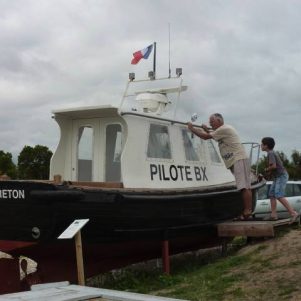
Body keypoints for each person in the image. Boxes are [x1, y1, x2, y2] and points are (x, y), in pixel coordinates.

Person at [187, 113, 253, 221]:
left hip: (238, 159)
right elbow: (215, 137)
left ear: (219, 121)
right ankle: (247, 210)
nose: (210, 124)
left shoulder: (224, 128)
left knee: (244, 186)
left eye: (212, 122)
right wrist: (206, 130)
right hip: (236, 159)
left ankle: (247, 211)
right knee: (244, 186)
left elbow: (206, 137)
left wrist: (191, 128)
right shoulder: (222, 130)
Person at [261, 137, 299, 222]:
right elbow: (275, 167)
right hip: (278, 176)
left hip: (281, 176)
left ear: (266, 146)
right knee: (271, 194)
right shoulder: (271, 153)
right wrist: (268, 173)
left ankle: (293, 213)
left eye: (262, 144)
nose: (261, 145)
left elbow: (273, 166)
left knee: (278, 195)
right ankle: (274, 215)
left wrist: (266, 170)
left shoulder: (270, 153)